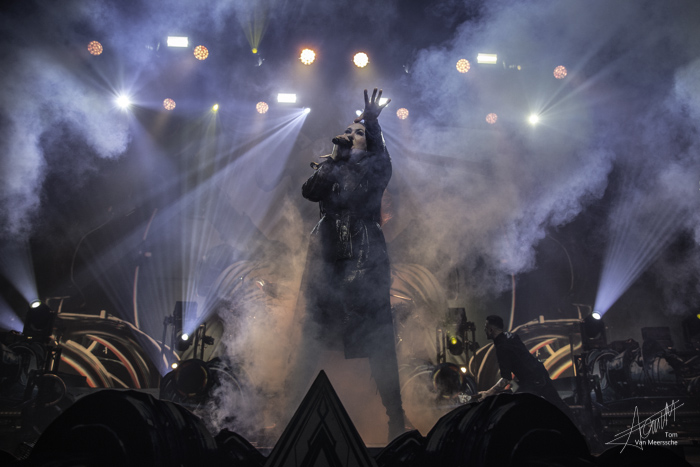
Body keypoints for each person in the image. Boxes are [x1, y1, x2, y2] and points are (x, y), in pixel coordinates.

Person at [295, 88, 408, 441]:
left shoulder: (377, 169)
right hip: (327, 261)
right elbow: (309, 192)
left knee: (378, 342)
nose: (350, 134)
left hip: (364, 262)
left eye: (357, 132)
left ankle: (396, 418)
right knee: (313, 336)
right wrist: (333, 158)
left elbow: (381, 155)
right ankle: (291, 416)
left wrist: (372, 122)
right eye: (348, 130)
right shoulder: (330, 170)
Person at [479, 315, 572, 417]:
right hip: (539, 373)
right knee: (557, 404)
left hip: (533, 381)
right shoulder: (511, 336)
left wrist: (488, 392)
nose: (484, 330)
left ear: (491, 330)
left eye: (486, 327)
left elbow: (506, 378)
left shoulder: (502, 347)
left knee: (521, 409)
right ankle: (575, 420)